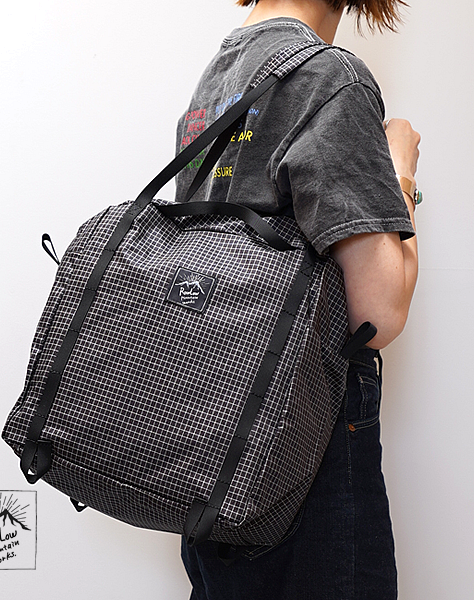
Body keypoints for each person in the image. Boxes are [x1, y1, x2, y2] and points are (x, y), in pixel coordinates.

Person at [175, 1, 421, 598]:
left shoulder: (216, 80)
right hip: (303, 442)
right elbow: (378, 313)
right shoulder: (331, 78)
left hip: (208, 434)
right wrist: (400, 174)